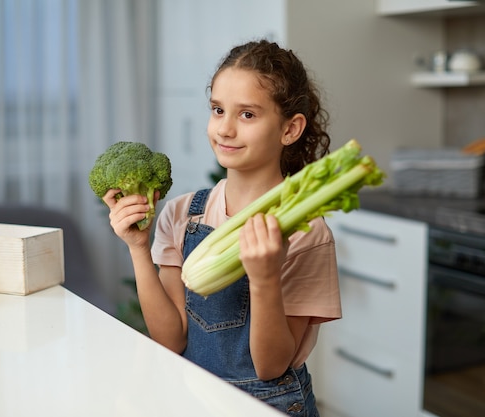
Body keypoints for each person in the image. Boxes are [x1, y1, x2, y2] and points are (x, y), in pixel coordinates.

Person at [104, 39, 341, 416]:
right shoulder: (183, 214)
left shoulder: (305, 232)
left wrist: (264, 279)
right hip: (194, 397)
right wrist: (137, 247)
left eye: (247, 115)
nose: (225, 129)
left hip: (269, 406)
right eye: (217, 110)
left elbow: (271, 366)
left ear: (290, 129)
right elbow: (170, 340)